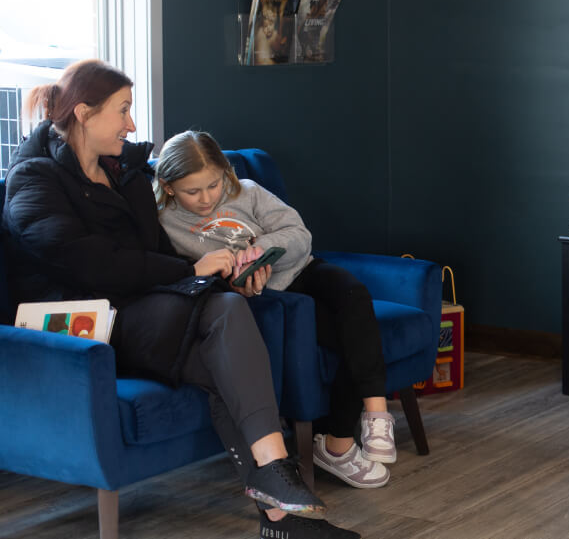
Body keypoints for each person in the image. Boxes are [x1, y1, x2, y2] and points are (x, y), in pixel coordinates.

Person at [1, 60, 357, 539]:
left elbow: (152, 249)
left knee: (227, 336)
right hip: (83, 325)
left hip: (140, 309)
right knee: (223, 324)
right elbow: (94, 265)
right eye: (123, 110)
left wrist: (228, 272)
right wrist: (192, 271)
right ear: (84, 114)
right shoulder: (33, 181)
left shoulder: (124, 170)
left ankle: (279, 509)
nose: (132, 123)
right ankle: (279, 494)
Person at [155, 130, 395, 490]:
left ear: (225, 174)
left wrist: (262, 247)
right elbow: (182, 276)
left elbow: (299, 234)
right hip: (262, 293)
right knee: (342, 339)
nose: (206, 199)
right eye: (193, 191)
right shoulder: (164, 221)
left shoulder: (248, 191)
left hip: (302, 270)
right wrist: (232, 280)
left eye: (214, 185)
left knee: (353, 295)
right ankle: (337, 446)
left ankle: (377, 416)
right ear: (169, 187)